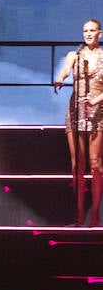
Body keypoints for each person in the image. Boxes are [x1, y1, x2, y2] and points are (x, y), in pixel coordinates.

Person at [53, 19, 103, 226]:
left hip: (98, 110)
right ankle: (79, 212)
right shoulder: (75, 55)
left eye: (92, 30)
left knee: (95, 164)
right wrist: (60, 78)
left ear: (99, 33)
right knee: (77, 164)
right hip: (76, 110)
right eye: (85, 30)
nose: (88, 34)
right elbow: (65, 70)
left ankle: (95, 212)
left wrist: (97, 99)